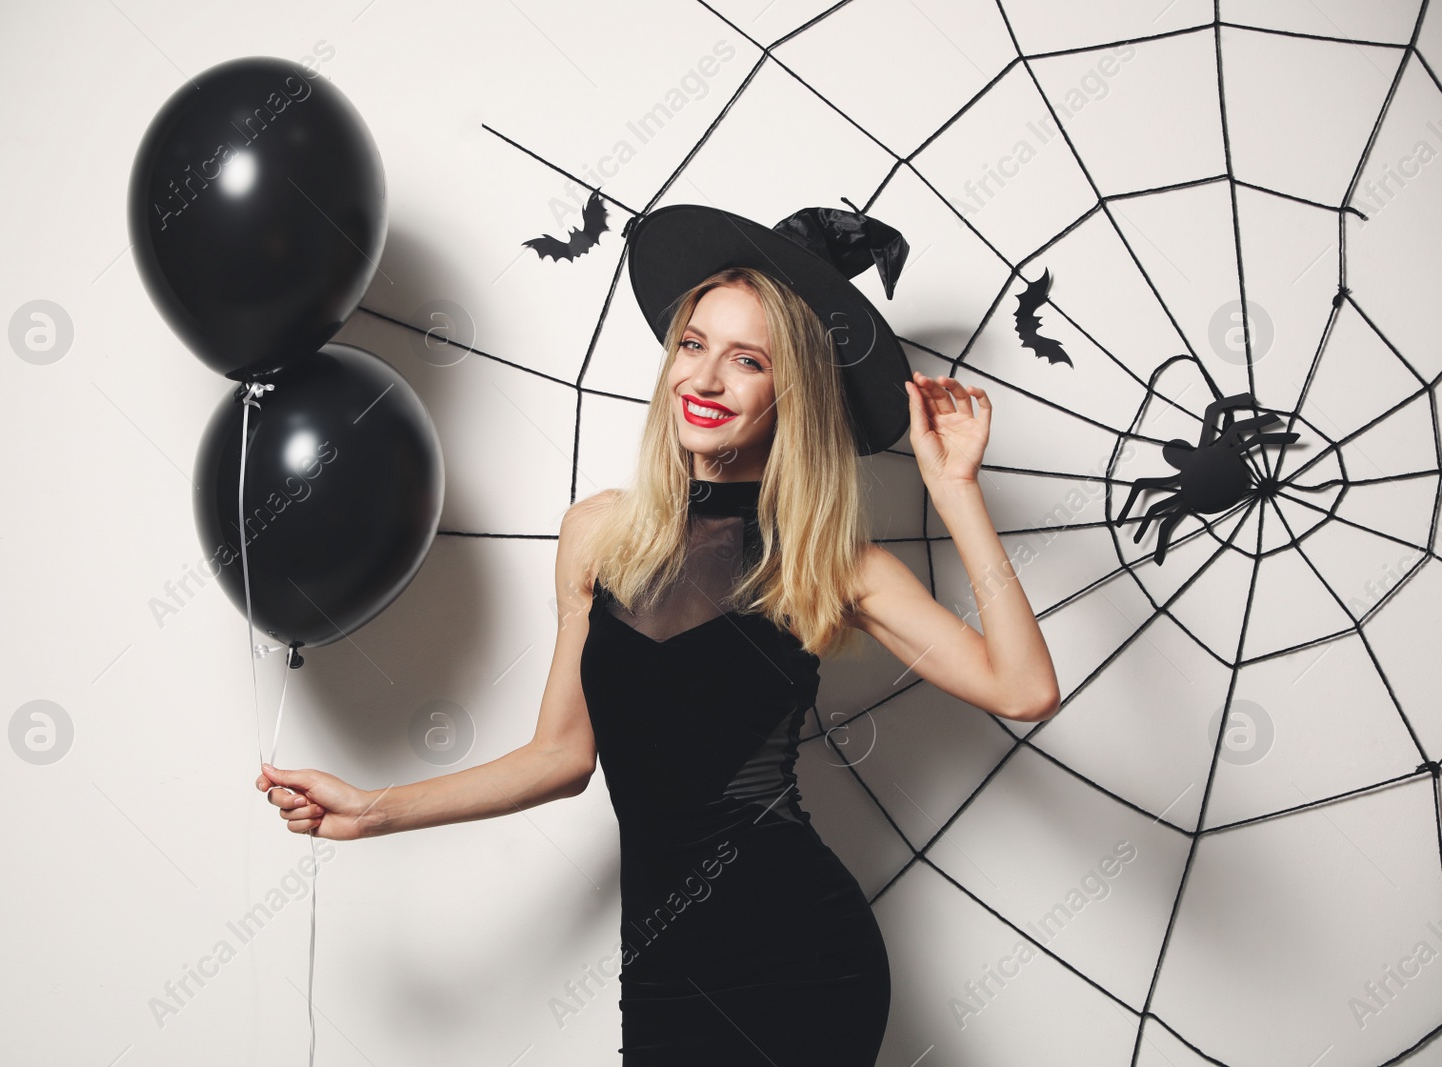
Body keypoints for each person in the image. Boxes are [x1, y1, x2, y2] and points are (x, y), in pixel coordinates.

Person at [256, 203, 1060, 1064]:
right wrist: (375, 809)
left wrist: (956, 493)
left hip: (802, 963)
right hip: (664, 971)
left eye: (747, 360)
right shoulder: (597, 534)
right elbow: (562, 757)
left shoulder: (833, 565)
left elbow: (1025, 688)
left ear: (793, 392)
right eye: (693, 344)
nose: (705, 379)